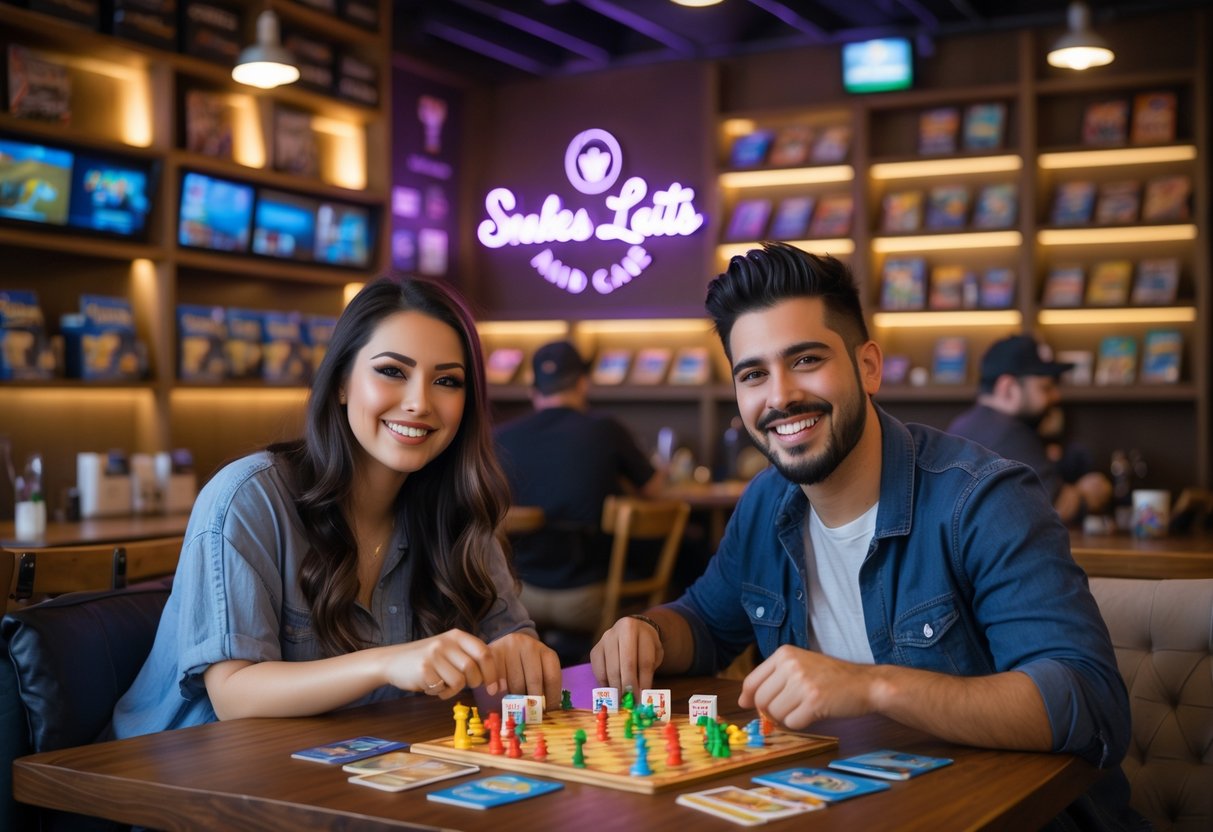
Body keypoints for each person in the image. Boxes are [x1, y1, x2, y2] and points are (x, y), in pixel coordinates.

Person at [591, 243, 1142, 830]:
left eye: (805, 359)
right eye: (753, 374)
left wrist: (874, 687)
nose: (779, 397)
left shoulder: (982, 499)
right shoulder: (764, 502)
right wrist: (647, 632)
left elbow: (1087, 703)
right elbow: (703, 623)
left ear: (869, 366)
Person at [110, 275, 561, 738]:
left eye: (446, 381)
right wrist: (390, 662)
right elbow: (234, 695)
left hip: (341, 769)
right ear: (342, 382)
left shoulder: (459, 510)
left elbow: (507, 658)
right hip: (179, 778)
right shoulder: (248, 498)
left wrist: (517, 657)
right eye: (392, 371)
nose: (419, 402)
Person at [493, 339, 665, 638]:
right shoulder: (606, 430)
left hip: (518, 596)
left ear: (533, 392)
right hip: (591, 599)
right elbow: (652, 488)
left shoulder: (499, 439)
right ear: (583, 384)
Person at [947, 335, 1112, 525]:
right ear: (1008, 388)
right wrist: (1089, 493)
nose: (1055, 396)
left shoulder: (961, 424)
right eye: (1046, 388)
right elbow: (1057, 508)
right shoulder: (1010, 433)